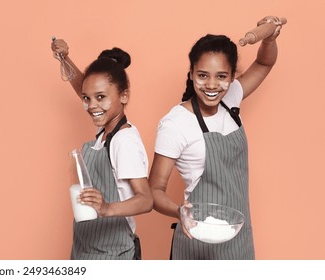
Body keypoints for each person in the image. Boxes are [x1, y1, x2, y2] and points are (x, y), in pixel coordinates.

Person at [148, 16, 284, 259]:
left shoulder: (230, 100)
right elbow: (154, 189)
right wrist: (179, 212)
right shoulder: (175, 124)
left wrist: (269, 39)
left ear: (232, 77)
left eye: (221, 76)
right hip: (199, 241)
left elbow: (264, 63)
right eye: (202, 75)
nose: (212, 85)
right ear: (191, 74)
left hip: (239, 239)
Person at [51, 39, 153, 260]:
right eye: (87, 99)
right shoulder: (103, 133)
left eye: (101, 98)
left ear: (124, 96)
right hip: (86, 250)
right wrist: (65, 59)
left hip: (113, 255)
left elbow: (146, 199)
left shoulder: (123, 141)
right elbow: (90, 91)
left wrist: (106, 208)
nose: (91, 106)